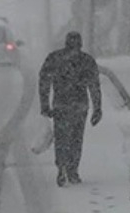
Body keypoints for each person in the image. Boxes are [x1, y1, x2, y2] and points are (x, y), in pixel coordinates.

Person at [38, 31, 102, 187]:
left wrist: (45, 104)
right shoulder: (86, 60)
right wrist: (97, 108)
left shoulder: (54, 58)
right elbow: (94, 86)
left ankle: (61, 167)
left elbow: (44, 82)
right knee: (76, 138)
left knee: (61, 138)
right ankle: (73, 170)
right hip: (80, 106)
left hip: (61, 105)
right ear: (80, 44)